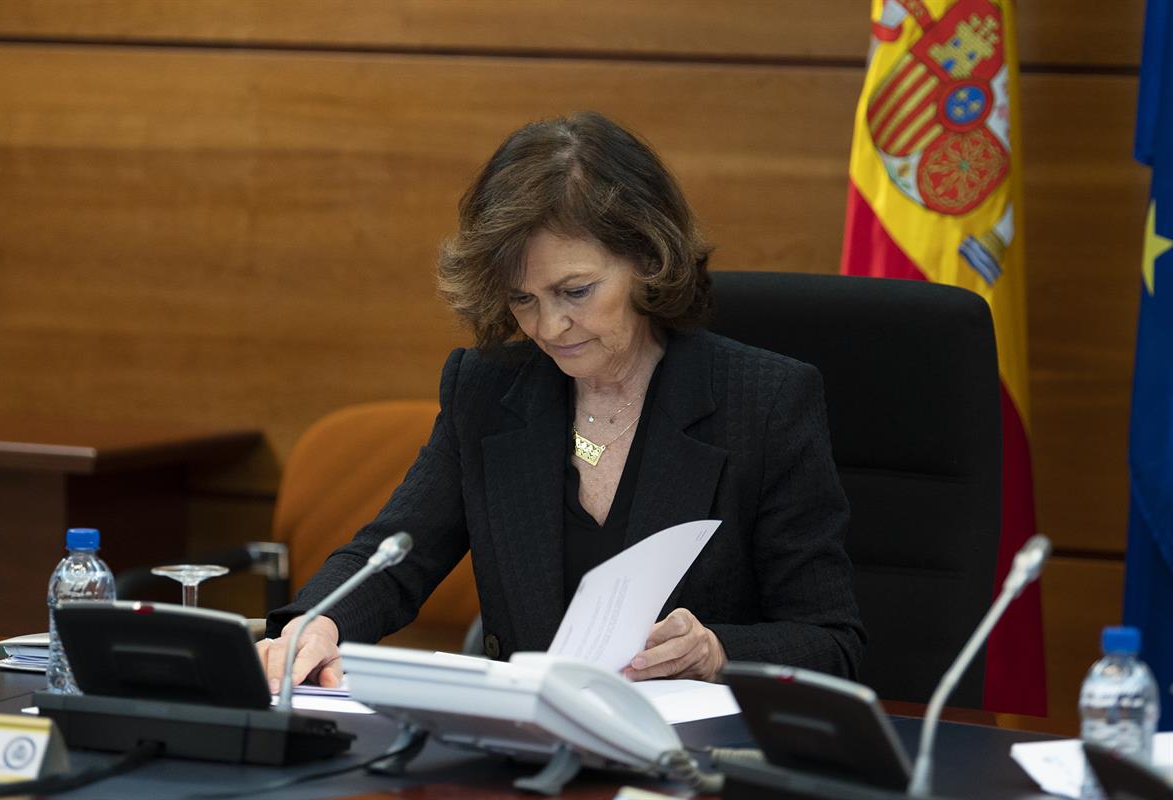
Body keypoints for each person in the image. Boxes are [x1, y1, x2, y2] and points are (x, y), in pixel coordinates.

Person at [258, 111, 865, 693]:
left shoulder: (763, 402)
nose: (549, 328)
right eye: (523, 299)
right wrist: (315, 624)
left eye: (575, 291)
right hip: (523, 753)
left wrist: (717, 651)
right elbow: (393, 553)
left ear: (648, 260)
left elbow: (831, 642)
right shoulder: (489, 388)